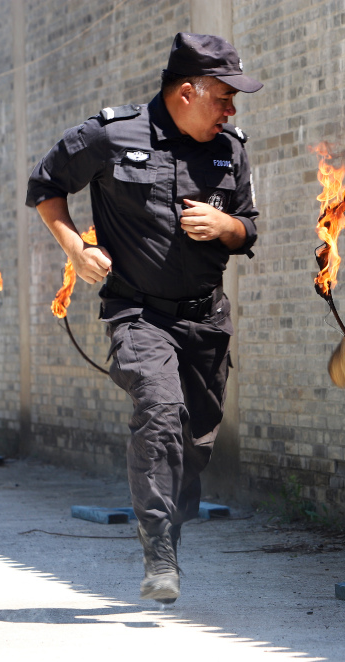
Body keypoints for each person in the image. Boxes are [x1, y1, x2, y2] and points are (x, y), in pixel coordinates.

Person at [26, 33, 262, 604]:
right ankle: (158, 552)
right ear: (187, 92)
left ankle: (169, 529)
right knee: (159, 411)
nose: (231, 110)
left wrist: (224, 226)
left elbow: (250, 227)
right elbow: (45, 186)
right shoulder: (111, 134)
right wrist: (73, 248)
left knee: (193, 444)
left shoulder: (229, 148)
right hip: (139, 314)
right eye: (223, 98)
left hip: (206, 322)